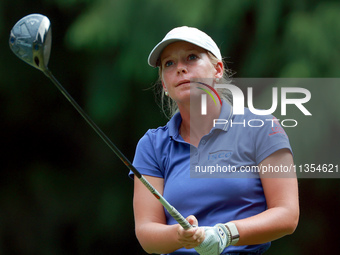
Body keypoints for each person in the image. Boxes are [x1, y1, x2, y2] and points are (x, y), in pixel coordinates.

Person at [129, 26, 299, 255]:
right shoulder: (152, 145)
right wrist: (180, 236)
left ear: (218, 69)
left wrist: (224, 234)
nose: (180, 68)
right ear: (164, 84)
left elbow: (287, 214)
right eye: (169, 63)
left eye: (192, 57)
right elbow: (147, 233)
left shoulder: (261, 127)